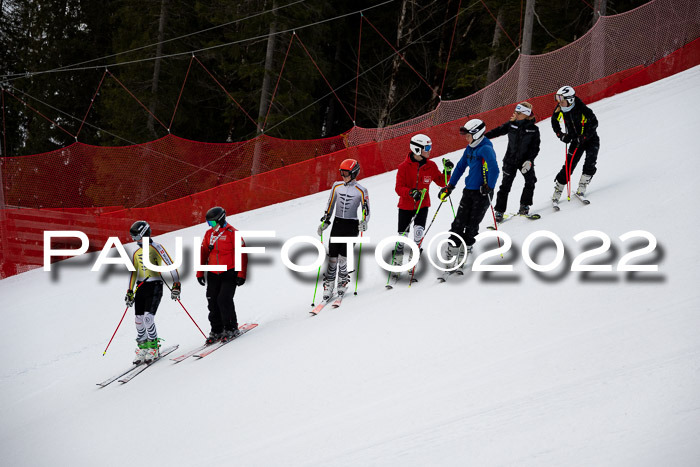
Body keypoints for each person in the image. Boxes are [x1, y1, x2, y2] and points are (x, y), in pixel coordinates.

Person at [438, 119, 500, 267]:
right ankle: (453, 252)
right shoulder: (469, 148)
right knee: (458, 222)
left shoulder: (485, 148)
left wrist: (489, 187)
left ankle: (464, 250)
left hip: (482, 194)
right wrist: (450, 186)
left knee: (472, 225)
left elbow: (494, 169)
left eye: (468, 135)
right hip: (468, 192)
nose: (466, 138)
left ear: (477, 134)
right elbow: (460, 167)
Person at [125, 220, 181, 364]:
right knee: (138, 320)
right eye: (133, 238)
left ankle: (153, 346)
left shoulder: (156, 247)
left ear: (144, 234)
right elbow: (133, 273)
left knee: (148, 318)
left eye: (136, 237)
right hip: (141, 287)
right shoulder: (137, 253)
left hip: (155, 285)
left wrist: (176, 284)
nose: (134, 241)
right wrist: (130, 291)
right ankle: (143, 347)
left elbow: (171, 265)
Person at [393, 134, 453, 264]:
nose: (429, 150)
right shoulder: (403, 167)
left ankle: (413, 260)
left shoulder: (431, 166)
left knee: (418, 233)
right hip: (405, 206)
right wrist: (411, 192)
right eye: (427, 147)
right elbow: (398, 188)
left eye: (430, 147)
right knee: (402, 236)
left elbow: (441, 182)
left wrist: (447, 171)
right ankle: (397, 261)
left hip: (423, 205)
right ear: (417, 149)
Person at [317, 159, 370, 300]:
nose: (343, 176)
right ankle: (329, 283)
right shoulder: (337, 186)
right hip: (338, 223)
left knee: (343, 256)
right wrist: (326, 220)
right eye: (341, 173)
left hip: (352, 225)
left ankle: (342, 280)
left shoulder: (361, 190)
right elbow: (330, 204)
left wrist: (365, 222)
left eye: (346, 173)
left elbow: (366, 209)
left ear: (354, 173)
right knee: (333, 255)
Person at [196, 207, 247, 345]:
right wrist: (200, 272)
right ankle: (217, 329)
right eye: (208, 224)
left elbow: (242, 254)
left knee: (224, 299)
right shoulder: (209, 234)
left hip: (229, 271)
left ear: (220, 220)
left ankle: (231, 327)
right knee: (212, 301)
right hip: (213, 272)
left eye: (212, 223)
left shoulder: (232, 233)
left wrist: (241, 274)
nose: (211, 227)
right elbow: (203, 252)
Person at [485, 102, 540, 221]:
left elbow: (535, 147)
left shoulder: (533, 129)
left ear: (525, 114)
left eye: (518, 112)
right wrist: (482, 137)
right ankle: (499, 212)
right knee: (505, 186)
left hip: (524, 161)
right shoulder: (511, 125)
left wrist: (530, 160)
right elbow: (497, 131)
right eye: (515, 111)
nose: (515, 114)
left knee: (530, 181)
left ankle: (524, 206)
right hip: (510, 160)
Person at [550, 85, 600, 203]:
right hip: (575, 141)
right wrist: (561, 135)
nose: (559, 103)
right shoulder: (560, 109)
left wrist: (584, 137)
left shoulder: (582, 108)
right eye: (558, 100)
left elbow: (594, 122)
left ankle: (582, 187)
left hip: (591, 139)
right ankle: (557, 191)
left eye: (562, 101)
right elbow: (554, 122)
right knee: (569, 165)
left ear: (570, 100)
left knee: (590, 162)